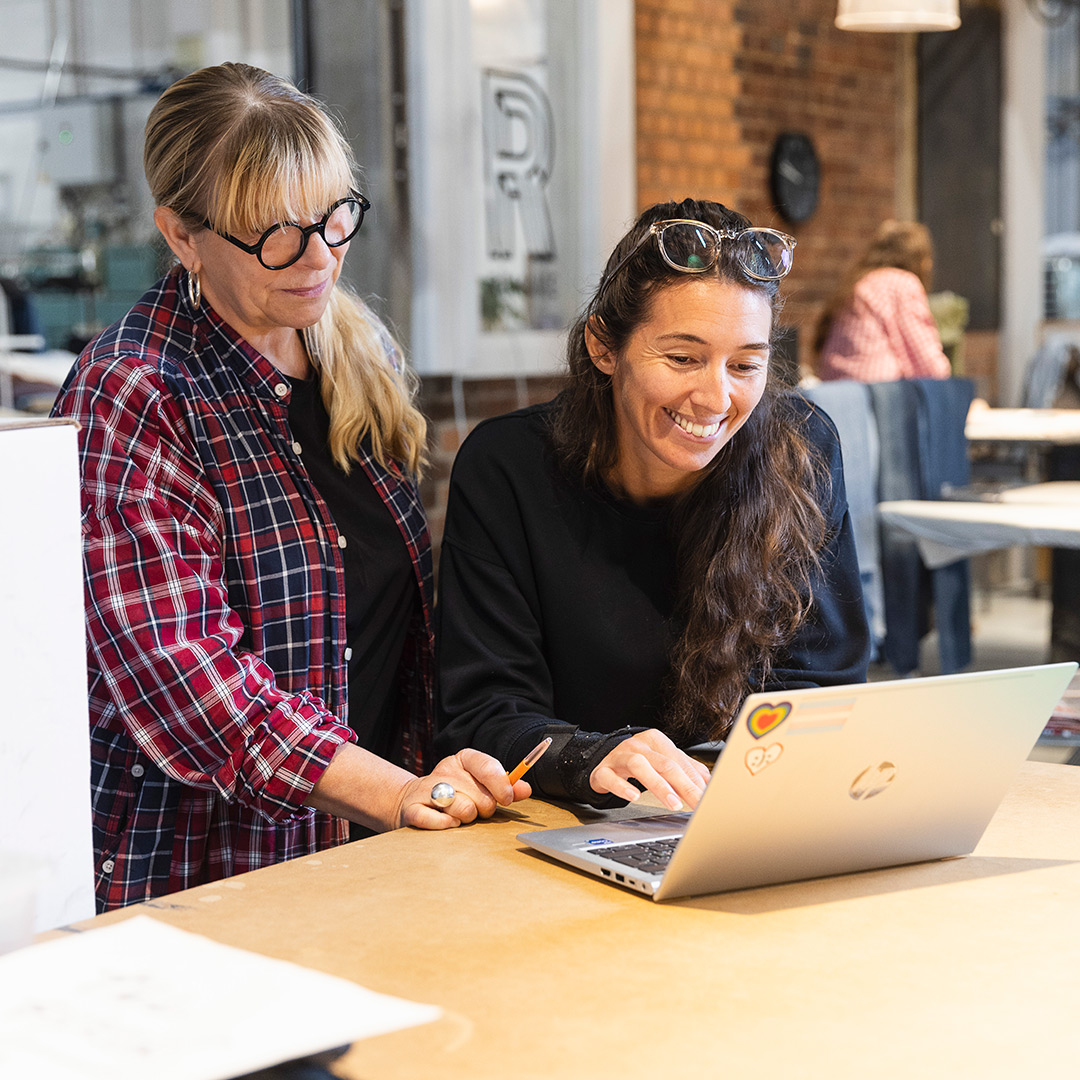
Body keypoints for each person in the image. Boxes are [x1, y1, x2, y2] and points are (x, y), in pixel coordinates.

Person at [51, 63, 529, 912]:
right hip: (213, 881)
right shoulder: (137, 390)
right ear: (181, 234)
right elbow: (185, 673)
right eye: (273, 234)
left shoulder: (355, 352)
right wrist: (391, 791)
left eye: (333, 216)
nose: (318, 258)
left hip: (373, 858)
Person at [435, 199, 870, 811]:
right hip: (561, 825)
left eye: (746, 364)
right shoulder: (508, 469)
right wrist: (588, 757)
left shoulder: (800, 449)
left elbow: (823, 685)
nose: (715, 398)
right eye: (683, 358)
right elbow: (481, 711)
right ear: (603, 347)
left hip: (743, 813)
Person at [814, 219, 952, 383]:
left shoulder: (858, 283)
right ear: (920, 261)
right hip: (877, 398)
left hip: (837, 398)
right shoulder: (901, 284)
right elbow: (930, 367)